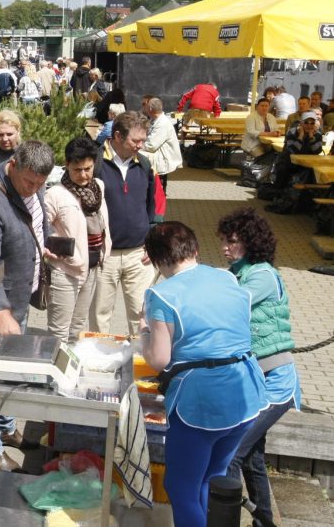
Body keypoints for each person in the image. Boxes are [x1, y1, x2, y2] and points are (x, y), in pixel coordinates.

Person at [138, 222, 266, 527]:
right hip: (246, 392)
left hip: (201, 403)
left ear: (156, 260)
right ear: (194, 249)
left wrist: (143, 332)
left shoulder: (161, 294)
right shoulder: (226, 277)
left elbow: (159, 359)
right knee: (210, 478)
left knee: (180, 488)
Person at [0, 140, 54, 473]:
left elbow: (35, 225)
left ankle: (6, 429)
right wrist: (1, 310)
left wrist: (44, 250)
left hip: (20, 298)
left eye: (40, 184)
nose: (34, 189)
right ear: (14, 165)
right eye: (29, 182)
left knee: (11, 371)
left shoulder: (33, 186)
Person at [218, 209, 301, 527]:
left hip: (276, 381)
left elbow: (229, 305)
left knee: (231, 455)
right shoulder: (240, 272)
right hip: (256, 381)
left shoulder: (261, 275)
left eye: (233, 241)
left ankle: (225, 520)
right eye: (224, 241)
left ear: (251, 242)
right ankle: (265, 521)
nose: (226, 247)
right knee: (252, 458)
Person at [91, 111, 157, 336]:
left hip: (139, 254)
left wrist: (153, 241)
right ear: (117, 136)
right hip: (104, 255)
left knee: (141, 313)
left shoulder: (145, 164)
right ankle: (99, 360)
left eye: (143, 140)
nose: (140, 145)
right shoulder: (95, 164)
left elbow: (152, 207)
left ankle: (140, 356)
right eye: (135, 140)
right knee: (100, 314)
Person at [42, 137, 111, 344]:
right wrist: (54, 247)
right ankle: (54, 375)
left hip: (91, 267)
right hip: (65, 270)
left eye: (88, 169)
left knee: (78, 329)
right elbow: (41, 228)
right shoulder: (55, 194)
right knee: (59, 333)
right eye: (77, 170)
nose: (83, 175)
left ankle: (71, 373)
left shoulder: (98, 186)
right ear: (67, 164)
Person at [272, 109, 323, 192]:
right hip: (290, 162)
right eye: (306, 122)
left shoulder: (317, 134)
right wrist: (300, 137)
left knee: (316, 172)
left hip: (308, 164)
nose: (309, 126)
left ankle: (307, 196)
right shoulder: (292, 132)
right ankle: (279, 193)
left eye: (312, 123)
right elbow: (293, 150)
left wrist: (311, 138)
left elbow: (317, 151)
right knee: (282, 168)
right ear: (301, 123)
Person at [143, 97, 182, 193]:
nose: (145, 109)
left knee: (134, 154)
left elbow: (151, 146)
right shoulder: (155, 120)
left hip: (164, 158)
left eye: (146, 107)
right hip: (158, 153)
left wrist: (137, 144)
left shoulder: (162, 124)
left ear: (151, 109)